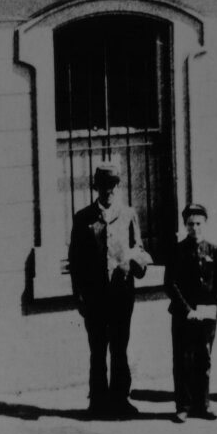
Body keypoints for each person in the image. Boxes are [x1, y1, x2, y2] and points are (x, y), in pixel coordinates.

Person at [68, 163, 151, 419]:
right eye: (104, 186)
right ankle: (98, 403)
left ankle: (120, 400)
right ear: (96, 187)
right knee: (97, 350)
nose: (109, 190)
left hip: (121, 295)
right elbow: (76, 261)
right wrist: (79, 296)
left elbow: (138, 247)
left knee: (119, 347)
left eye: (113, 185)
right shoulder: (83, 218)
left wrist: (135, 261)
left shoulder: (128, 214)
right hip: (94, 297)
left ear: (118, 186)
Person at [165, 203, 217, 423]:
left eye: (199, 223)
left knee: (204, 359)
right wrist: (188, 310)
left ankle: (204, 404)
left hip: (207, 315)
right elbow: (170, 284)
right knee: (183, 360)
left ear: (205, 224)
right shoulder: (178, 250)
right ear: (185, 225)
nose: (195, 228)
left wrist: (211, 306)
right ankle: (183, 406)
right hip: (184, 315)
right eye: (190, 224)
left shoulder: (214, 250)